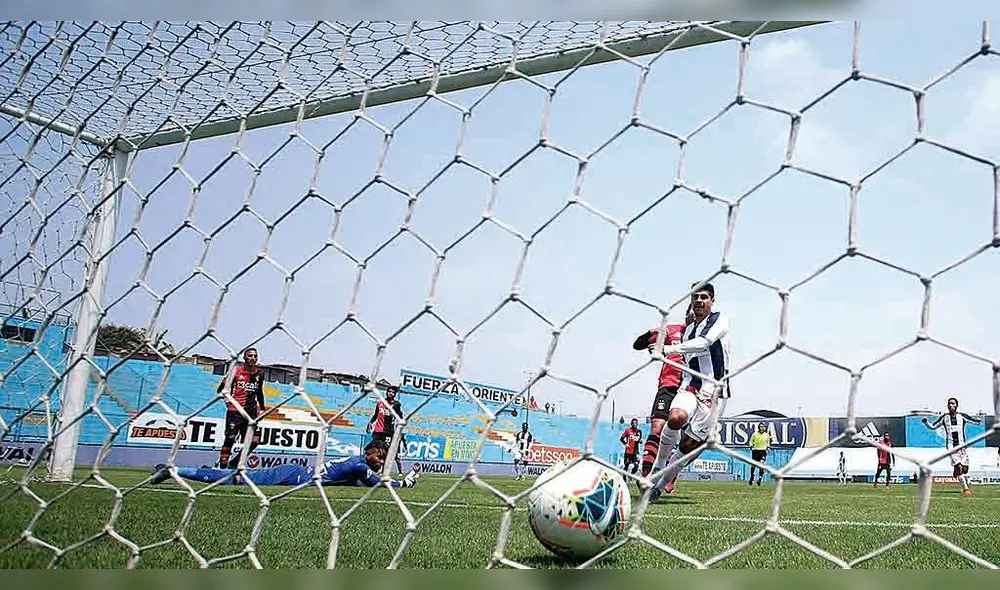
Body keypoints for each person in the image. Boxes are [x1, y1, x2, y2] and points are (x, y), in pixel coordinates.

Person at [650, 282, 732, 501]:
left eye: (704, 297)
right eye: (695, 296)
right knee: (675, 417)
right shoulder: (687, 331)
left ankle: (660, 484)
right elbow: (687, 359)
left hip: (715, 390)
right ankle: (657, 468)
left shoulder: (720, 319)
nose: (699, 300)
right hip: (691, 385)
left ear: (712, 300)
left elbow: (705, 343)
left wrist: (667, 349)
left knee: (688, 445)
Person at [151, 439, 420, 488]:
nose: (380, 461)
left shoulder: (355, 465)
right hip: (293, 477)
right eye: (379, 457)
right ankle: (173, 470)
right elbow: (378, 484)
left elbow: (362, 483)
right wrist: (403, 483)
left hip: (296, 473)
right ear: (369, 453)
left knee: (238, 475)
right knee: (238, 479)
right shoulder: (360, 466)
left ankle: (207, 471)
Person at [631, 306, 693, 484]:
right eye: (690, 311)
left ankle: (671, 475)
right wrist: (653, 333)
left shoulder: (704, 336)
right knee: (657, 428)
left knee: (687, 440)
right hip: (669, 386)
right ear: (686, 313)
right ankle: (645, 476)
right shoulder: (672, 330)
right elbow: (638, 345)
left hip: (691, 392)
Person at [216, 347, 265, 469]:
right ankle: (222, 467)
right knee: (230, 439)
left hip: (251, 413)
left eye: (255, 356)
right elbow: (221, 389)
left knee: (255, 441)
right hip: (235, 411)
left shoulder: (260, 374)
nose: (252, 358)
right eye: (250, 356)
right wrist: (228, 401)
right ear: (244, 358)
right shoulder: (235, 372)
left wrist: (262, 408)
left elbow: (259, 391)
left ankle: (235, 462)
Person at [922, 397, 981, 496]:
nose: (951, 405)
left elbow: (974, 421)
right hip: (951, 447)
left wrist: (978, 420)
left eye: (953, 404)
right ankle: (966, 488)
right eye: (949, 404)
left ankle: (956, 470)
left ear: (957, 405)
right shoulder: (944, 418)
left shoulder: (962, 416)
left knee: (965, 469)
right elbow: (933, 427)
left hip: (962, 447)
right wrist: (925, 422)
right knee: (959, 467)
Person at [367, 385, 405, 474]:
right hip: (377, 431)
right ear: (386, 392)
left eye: (393, 392)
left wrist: (398, 427)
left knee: (387, 452)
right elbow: (376, 415)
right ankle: (371, 468)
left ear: (395, 394)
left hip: (388, 432)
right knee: (373, 450)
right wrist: (370, 422)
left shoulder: (396, 404)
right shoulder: (380, 402)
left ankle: (384, 471)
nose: (391, 393)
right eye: (389, 391)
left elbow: (400, 416)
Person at [747, 422, 770, 487]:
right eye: (761, 426)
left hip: (763, 451)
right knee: (753, 465)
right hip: (756, 451)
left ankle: (759, 479)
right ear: (758, 427)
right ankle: (752, 477)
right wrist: (751, 447)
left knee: (761, 465)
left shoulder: (766, 435)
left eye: (763, 427)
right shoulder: (755, 434)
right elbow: (751, 441)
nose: (762, 428)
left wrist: (768, 447)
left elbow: (768, 443)